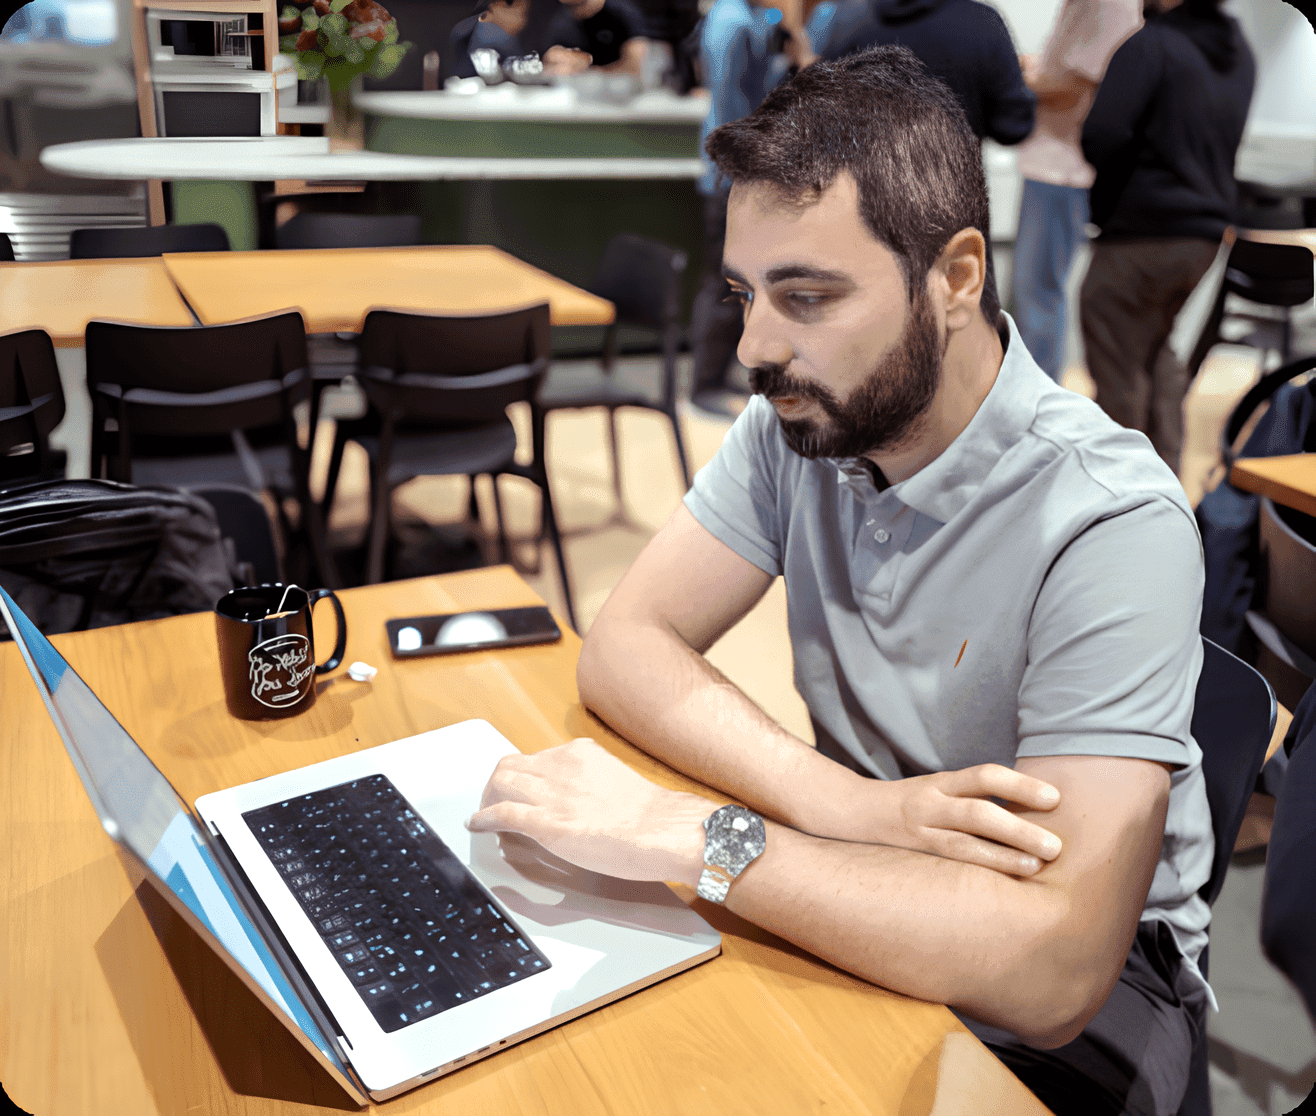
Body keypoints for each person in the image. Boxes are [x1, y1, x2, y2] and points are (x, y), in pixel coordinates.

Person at [469, 47, 1217, 1116]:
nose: (754, 348)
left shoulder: (1107, 521)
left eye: (806, 296)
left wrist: (693, 836)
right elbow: (626, 641)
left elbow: (1053, 968)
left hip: (1087, 990)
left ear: (956, 278)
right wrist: (852, 809)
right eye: (744, 293)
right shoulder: (808, 414)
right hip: (848, 864)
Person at [1079, 0, 1255, 473]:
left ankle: (1120, 495)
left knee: (1119, 367)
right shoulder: (1239, 50)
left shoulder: (1151, 46)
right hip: (1203, 240)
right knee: (1157, 355)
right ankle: (1167, 489)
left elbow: (1100, 136)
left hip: (1140, 233)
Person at [690, 0, 817, 415]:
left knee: (739, 284)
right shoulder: (734, 23)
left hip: (736, 174)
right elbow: (737, 108)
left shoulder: (747, 19)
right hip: (734, 176)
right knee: (725, 284)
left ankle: (718, 375)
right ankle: (704, 386)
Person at [1011, 0, 1141, 383]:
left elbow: (1074, 88)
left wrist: (1019, 79)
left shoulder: (1110, 4)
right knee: (1033, 293)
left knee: (1039, 294)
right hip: (1051, 166)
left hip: (1063, 170)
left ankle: (1037, 405)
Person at [824, 0, 1034, 146]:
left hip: (866, 193)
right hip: (954, 193)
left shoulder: (850, 23)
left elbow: (824, 116)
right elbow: (1013, 127)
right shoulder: (983, 23)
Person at [542, 0, 649, 75]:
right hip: (578, 95)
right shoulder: (562, 19)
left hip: (620, 94)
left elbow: (634, 67)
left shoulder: (622, 12)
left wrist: (590, 72)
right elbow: (551, 62)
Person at [449, 0, 531, 79]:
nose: (523, 21)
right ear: (495, 7)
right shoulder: (492, 33)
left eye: (525, 15)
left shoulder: (471, 25)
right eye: (518, 14)